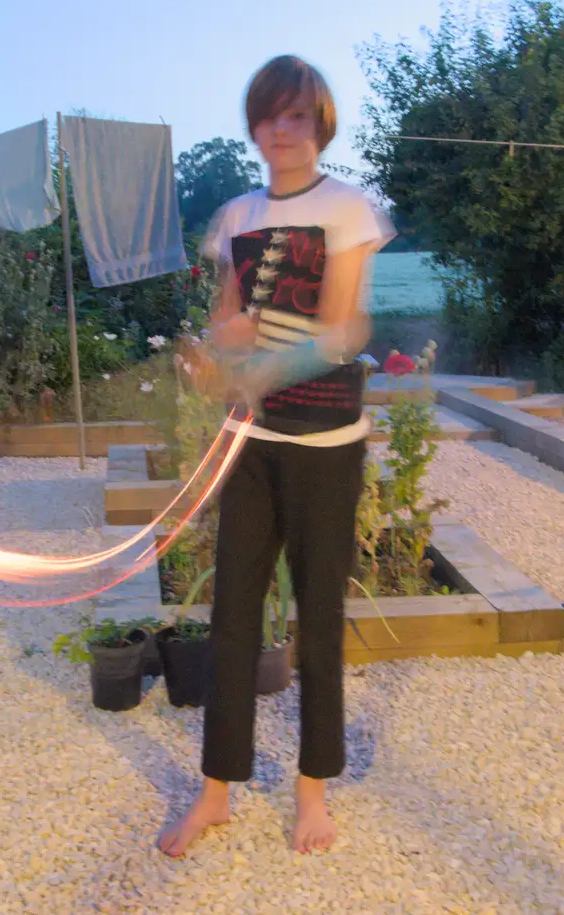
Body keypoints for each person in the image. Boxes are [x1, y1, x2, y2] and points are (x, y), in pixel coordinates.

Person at [157, 55, 392, 858]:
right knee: (231, 619)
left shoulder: (347, 208)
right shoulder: (236, 215)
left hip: (325, 442)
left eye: (297, 117)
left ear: (319, 124)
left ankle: (313, 791)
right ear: (254, 126)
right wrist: (216, 359)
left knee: (318, 623)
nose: (282, 132)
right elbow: (229, 316)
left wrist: (262, 369)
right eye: (269, 117)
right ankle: (216, 791)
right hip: (250, 442)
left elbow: (342, 330)